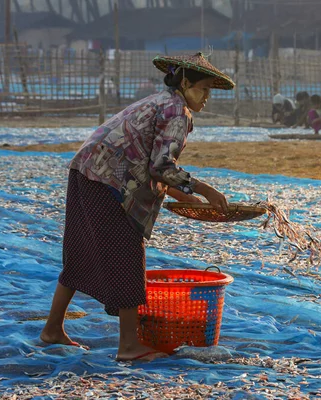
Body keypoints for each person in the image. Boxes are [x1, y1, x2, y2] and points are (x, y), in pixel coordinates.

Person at [40, 53, 234, 362]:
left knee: (79, 252)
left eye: (211, 91)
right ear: (185, 83)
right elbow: (161, 166)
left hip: (86, 169)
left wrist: (183, 194)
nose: (207, 97)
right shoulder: (176, 111)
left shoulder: (160, 101)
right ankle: (129, 346)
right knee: (127, 254)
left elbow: (147, 162)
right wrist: (206, 190)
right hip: (107, 179)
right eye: (204, 89)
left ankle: (52, 329)